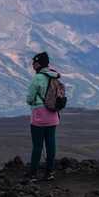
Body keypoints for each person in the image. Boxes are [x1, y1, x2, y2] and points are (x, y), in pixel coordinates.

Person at [26, 52, 61, 183]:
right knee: (51, 144)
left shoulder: (37, 78)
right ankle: (49, 172)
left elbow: (29, 98)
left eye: (34, 62)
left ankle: (33, 174)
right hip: (53, 115)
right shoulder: (54, 76)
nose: (32, 64)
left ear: (39, 63)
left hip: (39, 116)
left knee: (37, 145)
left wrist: (35, 101)